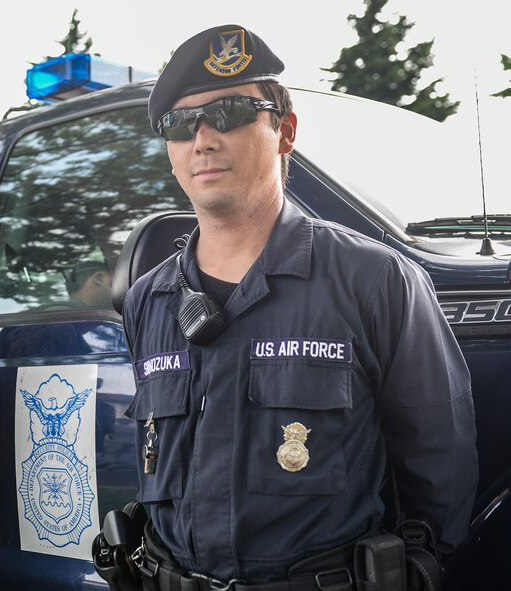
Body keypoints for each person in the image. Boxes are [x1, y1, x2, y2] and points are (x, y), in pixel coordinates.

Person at [119, 25, 477, 589]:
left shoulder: (376, 281)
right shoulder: (150, 300)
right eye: (181, 124)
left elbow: (439, 472)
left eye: (231, 112)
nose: (203, 139)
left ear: (285, 132)